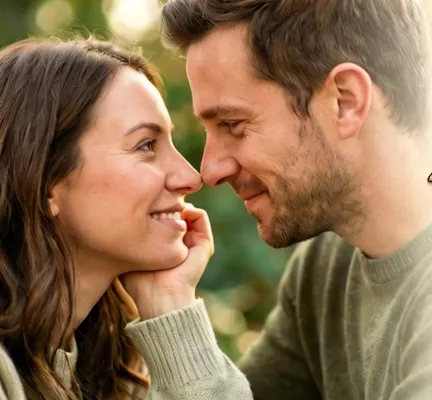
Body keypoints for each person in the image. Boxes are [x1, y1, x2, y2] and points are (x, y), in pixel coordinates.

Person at [153, 0, 432, 399]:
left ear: (345, 101)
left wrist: (171, 314)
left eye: (233, 125)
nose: (210, 170)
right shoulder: (330, 261)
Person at [0, 37, 253, 399]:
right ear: (45, 183)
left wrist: (170, 303)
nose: (190, 177)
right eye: (146, 145)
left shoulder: (102, 371)